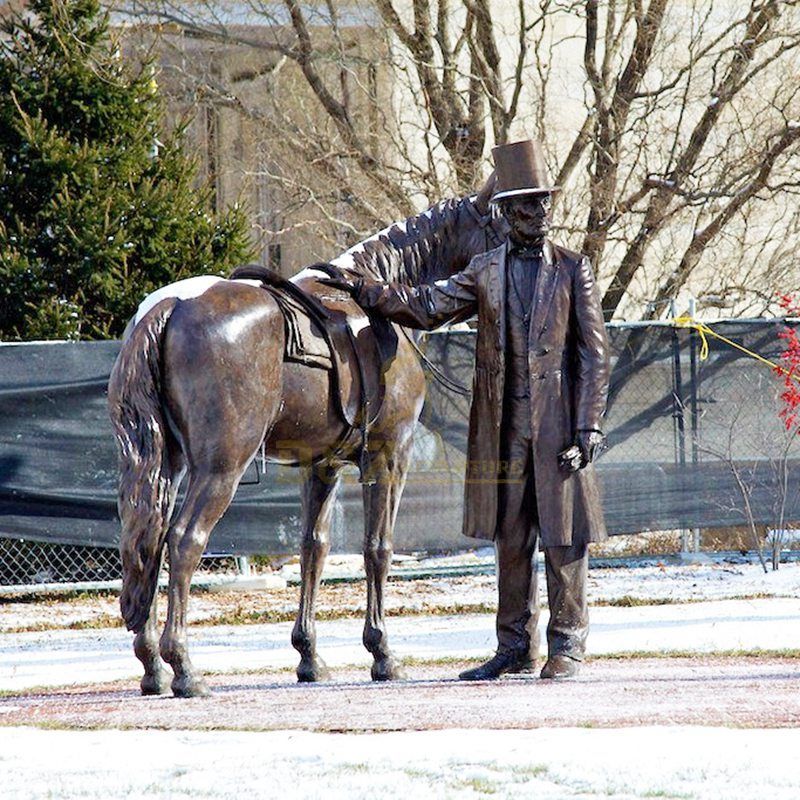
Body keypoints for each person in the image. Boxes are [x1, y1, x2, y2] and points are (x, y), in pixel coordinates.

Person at [322, 139, 610, 680]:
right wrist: (363, 287)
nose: (538, 214)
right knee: (512, 534)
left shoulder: (574, 268)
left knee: (564, 534)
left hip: (558, 424)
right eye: (527, 205)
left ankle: (567, 644)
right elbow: (426, 307)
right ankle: (514, 647)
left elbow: (594, 354)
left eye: (544, 203)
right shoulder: (484, 270)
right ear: (505, 212)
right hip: (503, 425)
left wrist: (589, 425)